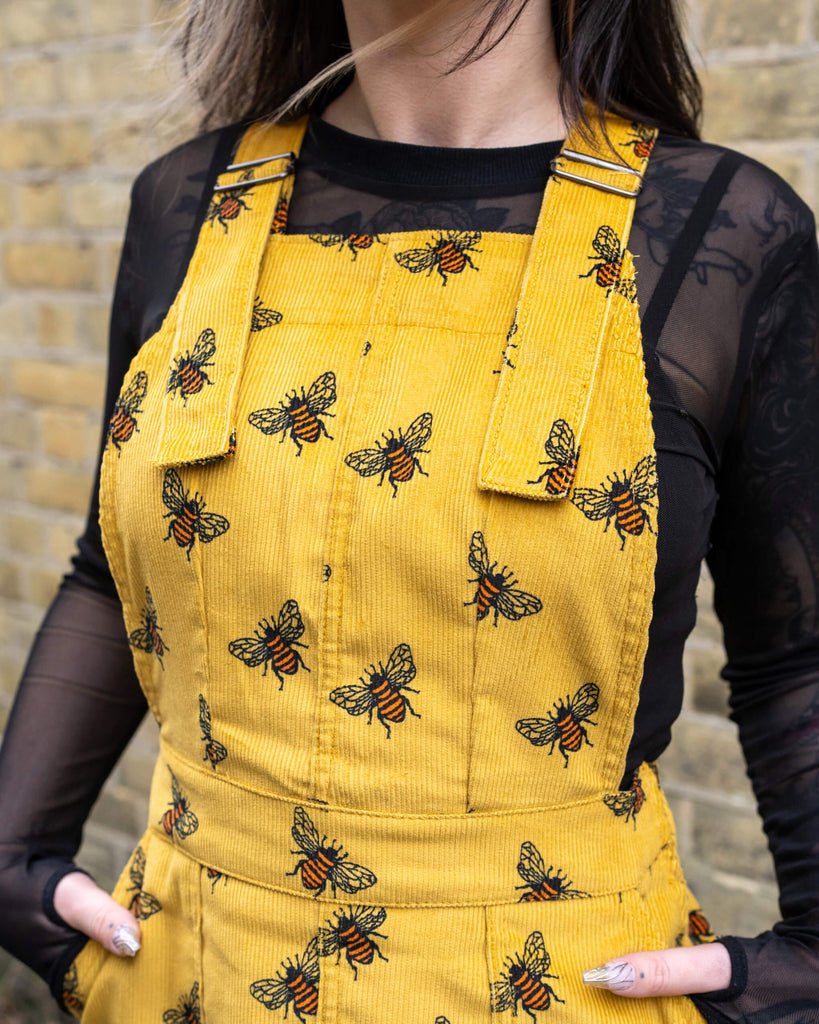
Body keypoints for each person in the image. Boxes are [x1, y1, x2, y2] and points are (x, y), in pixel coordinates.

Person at [0, 0, 817, 1021]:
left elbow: (795, 650)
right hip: (188, 978)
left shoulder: (719, 234)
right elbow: (115, 567)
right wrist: (13, 856)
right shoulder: (187, 204)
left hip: (560, 989)